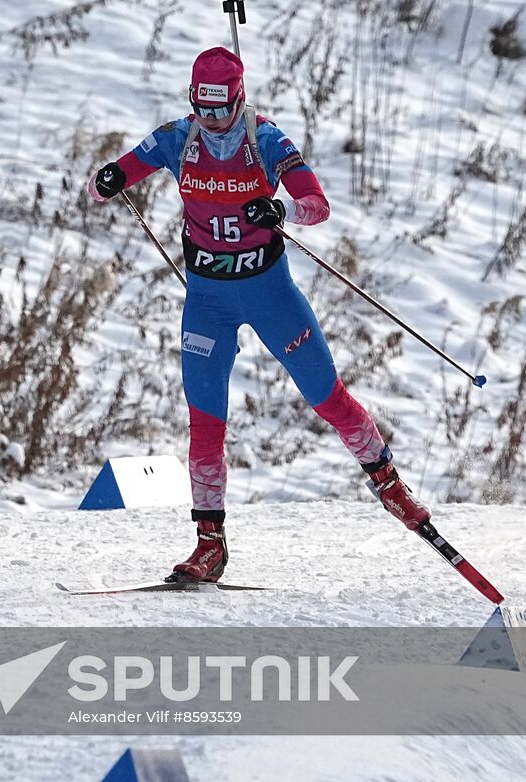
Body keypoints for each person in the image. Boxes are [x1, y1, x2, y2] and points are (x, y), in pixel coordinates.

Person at [87, 46, 430, 584]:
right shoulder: (178, 137)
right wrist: (106, 180)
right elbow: (116, 175)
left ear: (240, 99)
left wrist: (282, 209)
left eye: (222, 109)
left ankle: (389, 484)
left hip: (268, 292)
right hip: (207, 300)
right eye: (204, 109)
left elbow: (316, 203)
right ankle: (209, 544)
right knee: (204, 426)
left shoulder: (266, 139)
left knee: (327, 397)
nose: (214, 121)